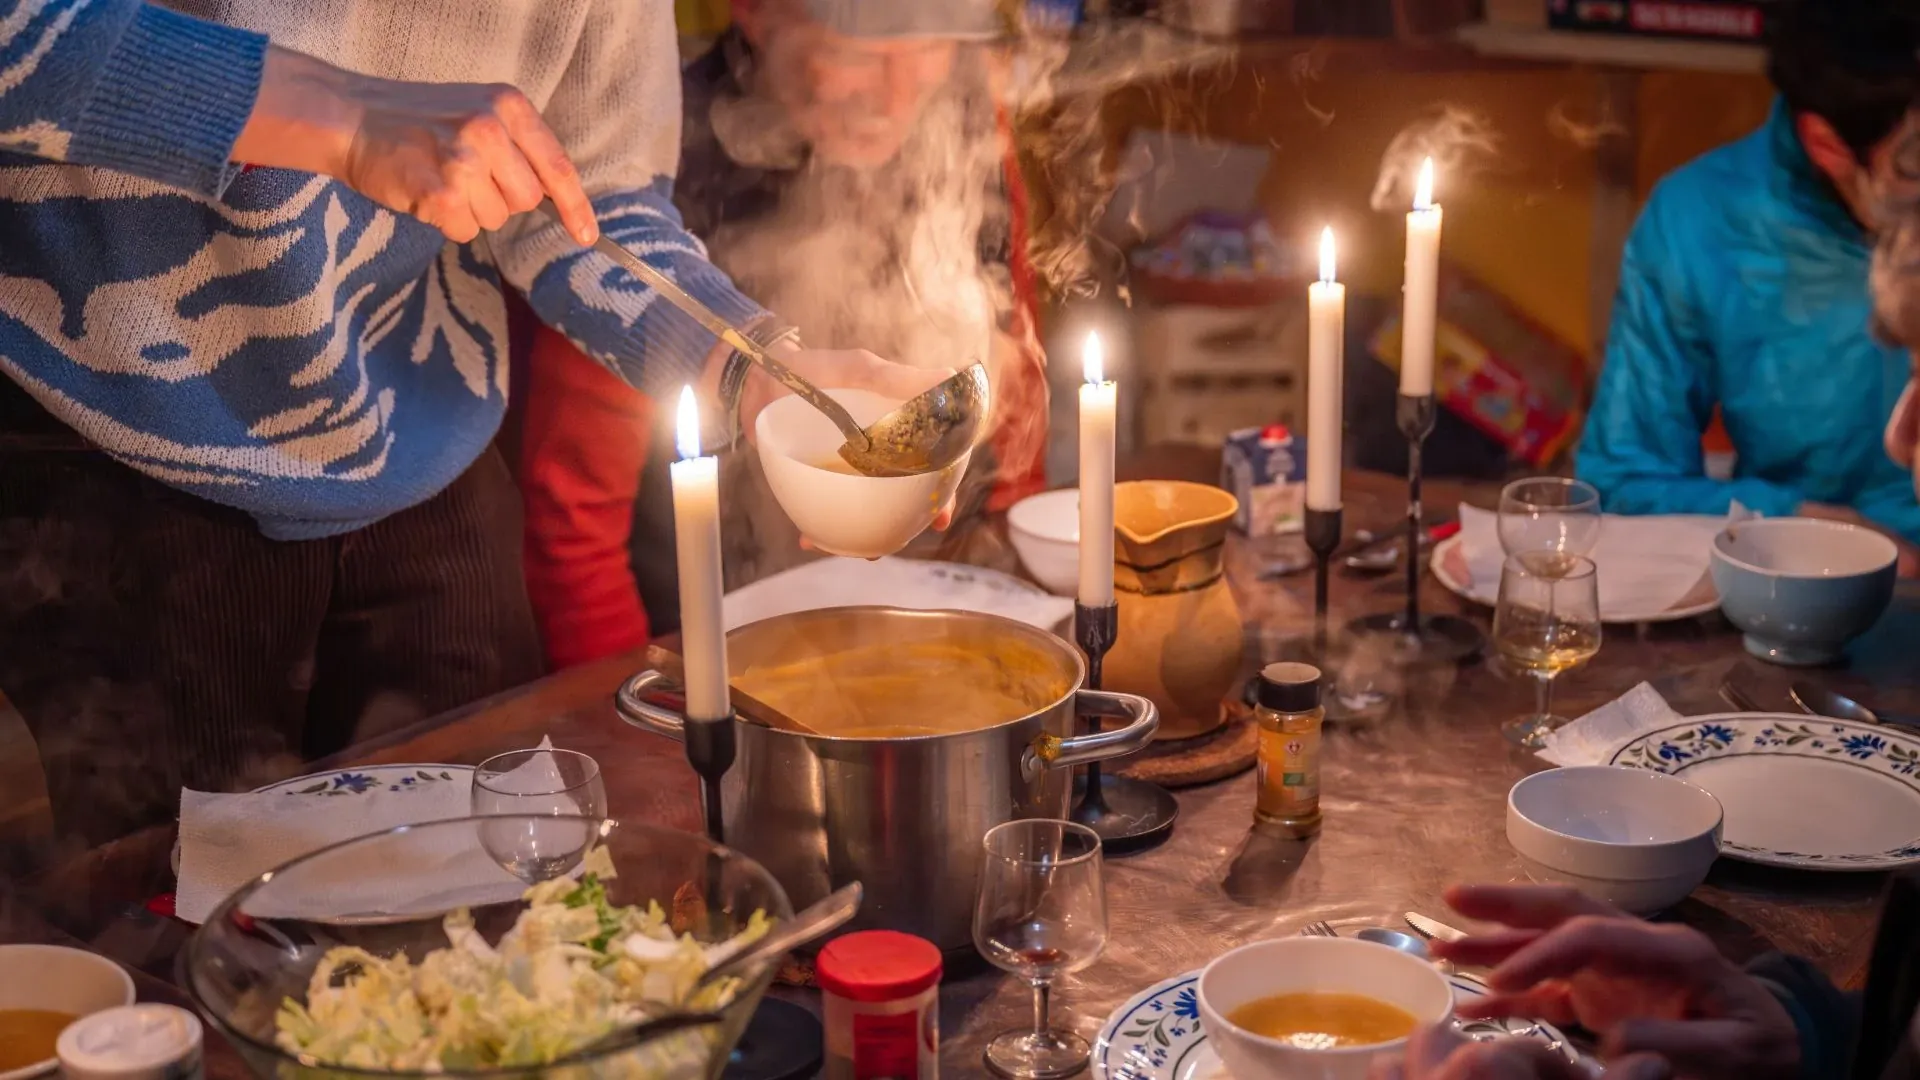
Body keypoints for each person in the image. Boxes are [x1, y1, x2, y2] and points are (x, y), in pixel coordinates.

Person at [0, 0, 938, 845]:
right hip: (112, 444)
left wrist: (747, 366)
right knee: (184, 945)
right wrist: (336, 113)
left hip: (424, 442)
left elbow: (589, 196)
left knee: (493, 905)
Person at [511, 0, 1049, 668]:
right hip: (708, 653)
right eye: (857, 51)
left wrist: (1021, 577)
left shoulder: (969, 122)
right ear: (756, 14)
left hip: (939, 617)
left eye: (929, 44)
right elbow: (574, 528)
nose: (897, 93)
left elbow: (1015, 366)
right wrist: (638, 714)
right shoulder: (641, 185)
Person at [1575, 0, 1920, 564]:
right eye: (1912, 164)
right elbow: (1622, 482)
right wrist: (1803, 528)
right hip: (1806, 581)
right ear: (1828, 147)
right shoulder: (1701, 222)